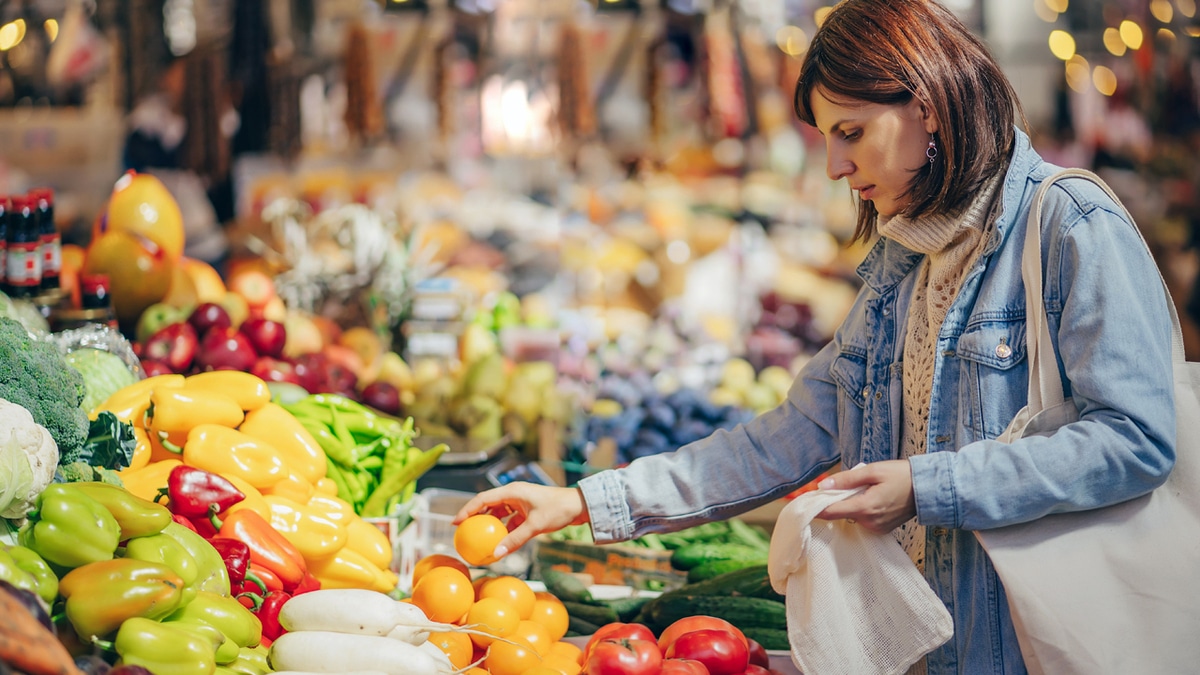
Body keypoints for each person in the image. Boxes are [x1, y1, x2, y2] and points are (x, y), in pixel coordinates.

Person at [454, 1, 1177, 673]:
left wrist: (927, 486)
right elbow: (782, 437)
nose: (835, 165)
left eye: (851, 132)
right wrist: (583, 502)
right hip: (924, 645)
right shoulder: (904, 268)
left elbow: (1135, 438)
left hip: (1029, 650)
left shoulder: (1071, 226)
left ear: (925, 106)